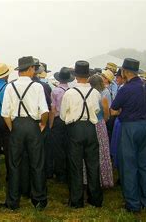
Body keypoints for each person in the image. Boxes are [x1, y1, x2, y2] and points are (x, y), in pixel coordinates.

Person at [0, 56, 49, 210]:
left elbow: (5, 113)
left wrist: (12, 128)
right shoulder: (37, 87)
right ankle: (39, 199)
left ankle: (13, 201)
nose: (35, 70)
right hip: (33, 125)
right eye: (34, 68)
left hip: (16, 126)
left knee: (14, 164)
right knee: (37, 163)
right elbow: (45, 111)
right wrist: (42, 125)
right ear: (29, 69)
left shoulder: (10, 87)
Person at [110, 58, 146, 213]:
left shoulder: (125, 89)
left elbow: (113, 109)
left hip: (130, 127)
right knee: (144, 165)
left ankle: (133, 204)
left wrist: (123, 111)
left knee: (129, 166)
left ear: (125, 71)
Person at [60, 61, 102, 208]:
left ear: (76, 76)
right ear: (88, 75)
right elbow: (97, 111)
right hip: (91, 128)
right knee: (92, 165)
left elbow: (62, 116)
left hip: (75, 129)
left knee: (75, 165)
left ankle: (76, 200)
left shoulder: (69, 93)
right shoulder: (95, 93)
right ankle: (95, 198)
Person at [88, 74, 114, 188]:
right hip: (100, 124)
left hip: (90, 124)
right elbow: (107, 114)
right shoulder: (104, 95)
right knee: (102, 151)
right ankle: (104, 179)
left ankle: (89, 178)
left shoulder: (89, 95)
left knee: (90, 152)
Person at [49, 67, 74, 183]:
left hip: (58, 120)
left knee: (57, 148)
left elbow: (53, 110)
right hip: (69, 121)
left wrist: (50, 125)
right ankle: (69, 171)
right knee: (68, 146)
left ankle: (60, 174)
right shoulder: (71, 91)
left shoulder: (55, 91)